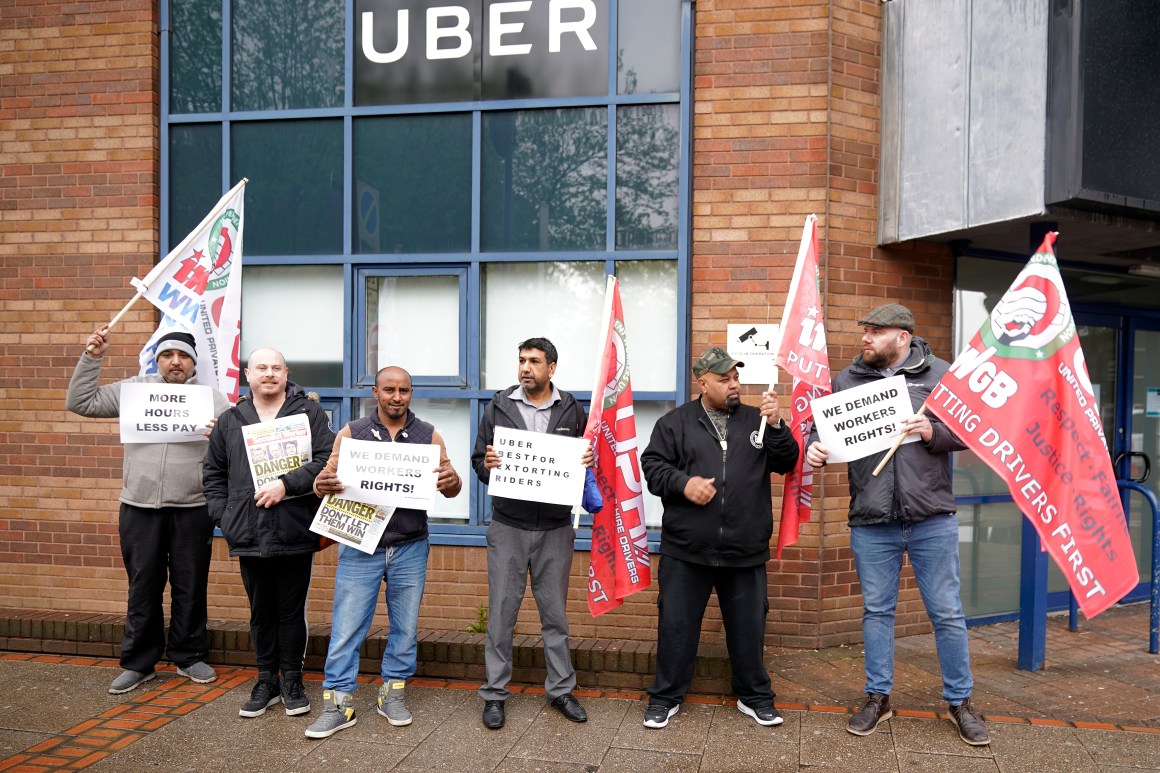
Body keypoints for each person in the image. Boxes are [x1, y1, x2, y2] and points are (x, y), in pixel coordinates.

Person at [805, 303, 989, 746]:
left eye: (874, 331)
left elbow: (970, 430)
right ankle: (878, 698)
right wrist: (815, 448)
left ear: (903, 337)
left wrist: (932, 432)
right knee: (876, 612)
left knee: (946, 613)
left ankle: (960, 703)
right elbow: (822, 431)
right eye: (863, 330)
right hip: (871, 520)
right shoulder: (847, 380)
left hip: (931, 519)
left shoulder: (940, 374)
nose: (864, 338)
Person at [639, 346, 799, 730]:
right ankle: (665, 697)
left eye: (736, 377)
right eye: (725, 378)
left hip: (744, 549)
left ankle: (755, 697)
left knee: (748, 629)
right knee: (676, 627)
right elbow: (653, 467)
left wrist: (777, 426)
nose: (734, 384)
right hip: (687, 549)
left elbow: (788, 462)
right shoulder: (674, 423)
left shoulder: (756, 421)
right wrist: (684, 483)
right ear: (703, 382)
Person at [66, 328, 230, 694]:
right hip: (138, 507)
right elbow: (81, 402)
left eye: (183, 356)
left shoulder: (212, 399)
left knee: (190, 586)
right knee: (143, 586)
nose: (176, 361)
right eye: (168, 355)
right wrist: (92, 357)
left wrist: (221, 433)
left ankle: (189, 656)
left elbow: (235, 444)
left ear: (193, 363)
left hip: (192, 507)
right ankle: (139, 663)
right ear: (157, 359)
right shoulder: (134, 391)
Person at [304, 366, 463, 739]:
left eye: (403, 390)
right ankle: (338, 704)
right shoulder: (352, 433)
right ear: (375, 391)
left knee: (405, 628)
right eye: (389, 389)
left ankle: (392, 694)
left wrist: (452, 481)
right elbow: (323, 481)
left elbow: (451, 487)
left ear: (411, 393)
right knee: (347, 627)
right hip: (361, 544)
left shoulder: (428, 435)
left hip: (410, 545)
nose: (396, 396)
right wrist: (320, 484)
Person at [203, 348, 335, 719]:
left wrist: (286, 485)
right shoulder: (230, 419)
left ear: (286, 373)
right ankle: (266, 680)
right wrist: (224, 516)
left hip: (293, 526)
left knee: (291, 612)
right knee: (261, 612)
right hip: (247, 531)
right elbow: (213, 474)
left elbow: (326, 459)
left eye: (276, 368)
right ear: (248, 374)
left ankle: (292, 680)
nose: (270, 373)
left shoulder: (307, 412)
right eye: (262, 367)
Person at [472, 337, 594, 730]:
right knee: (502, 615)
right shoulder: (498, 406)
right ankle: (494, 695)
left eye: (534, 361)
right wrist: (487, 464)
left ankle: (561, 690)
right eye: (521, 360)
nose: (526, 368)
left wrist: (588, 458)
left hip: (556, 528)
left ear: (551, 368)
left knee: (554, 615)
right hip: (508, 525)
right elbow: (479, 460)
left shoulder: (572, 408)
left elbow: (584, 459)